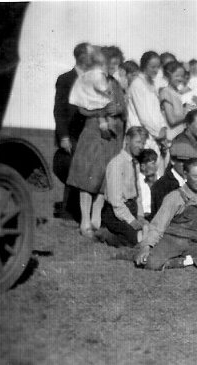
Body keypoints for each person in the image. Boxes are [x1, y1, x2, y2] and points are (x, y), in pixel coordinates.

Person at [134, 158, 197, 270]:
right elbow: (158, 226)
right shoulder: (175, 197)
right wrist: (146, 246)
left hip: (193, 242)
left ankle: (178, 262)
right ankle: (132, 253)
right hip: (170, 241)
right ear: (186, 175)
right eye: (195, 176)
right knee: (151, 263)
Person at [67, 47, 126, 238]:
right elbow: (81, 108)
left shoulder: (115, 83)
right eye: (110, 63)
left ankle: (95, 218)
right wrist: (100, 111)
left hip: (112, 138)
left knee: (104, 179)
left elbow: (123, 108)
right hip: (94, 134)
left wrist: (116, 109)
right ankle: (85, 222)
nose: (112, 67)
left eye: (116, 64)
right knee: (87, 177)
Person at [53, 42, 92, 220]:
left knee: (84, 171)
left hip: (88, 134)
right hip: (71, 135)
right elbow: (59, 110)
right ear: (82, 57)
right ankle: (67, 211)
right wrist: (63, 137)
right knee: (72, 169)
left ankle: (75, 211)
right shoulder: (65, 79)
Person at [100, 126, 149, 246]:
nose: (141, 146)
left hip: (132, 209)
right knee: (137, 239)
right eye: (138, 142)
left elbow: (138, 194)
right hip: (116, 213)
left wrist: (140, 215)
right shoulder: (117, 164)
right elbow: (115, 201)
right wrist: (132, 221)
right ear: (127, 139)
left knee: (151, 231)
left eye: (143, 143)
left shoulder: (135, 163)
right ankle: (107, 234)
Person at [126, 51, 168, 174]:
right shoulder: (137, 84)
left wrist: (163, 127)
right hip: (142, 135)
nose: (156, 70)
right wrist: (158, 133)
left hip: (154, 135)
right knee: (144, 173)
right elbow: (143, 116)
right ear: (144, 66)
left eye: (157, 67)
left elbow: (156, 110)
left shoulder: (151, 83)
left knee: (157, 173)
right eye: (152, 67)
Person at [159, 61, 196, 141]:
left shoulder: (176, 93)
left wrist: (187, 109)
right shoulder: (166, 92)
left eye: (182, 76)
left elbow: (178, 113)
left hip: (179, 137)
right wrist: (187, 114)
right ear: (168, 75)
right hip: (171, 138)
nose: (180, 78)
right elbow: (172, 120)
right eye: (177, 75)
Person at [137, 148, 159, 220]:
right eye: (153, 163)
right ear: (143, 166)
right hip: (142, 217)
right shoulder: (137, 181)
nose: (156, 166)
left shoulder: (159, 179)